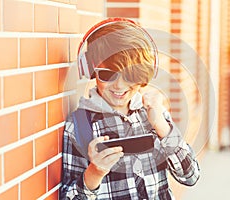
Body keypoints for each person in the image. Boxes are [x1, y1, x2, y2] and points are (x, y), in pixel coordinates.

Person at [60, 18, 200, 200]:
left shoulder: (154, 114)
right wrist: (94, 173)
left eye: (129, 75)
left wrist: (162, 128)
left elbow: (190, 176)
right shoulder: (79, 126)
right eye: (107, 74)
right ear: (91, 71)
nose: (119, 86)